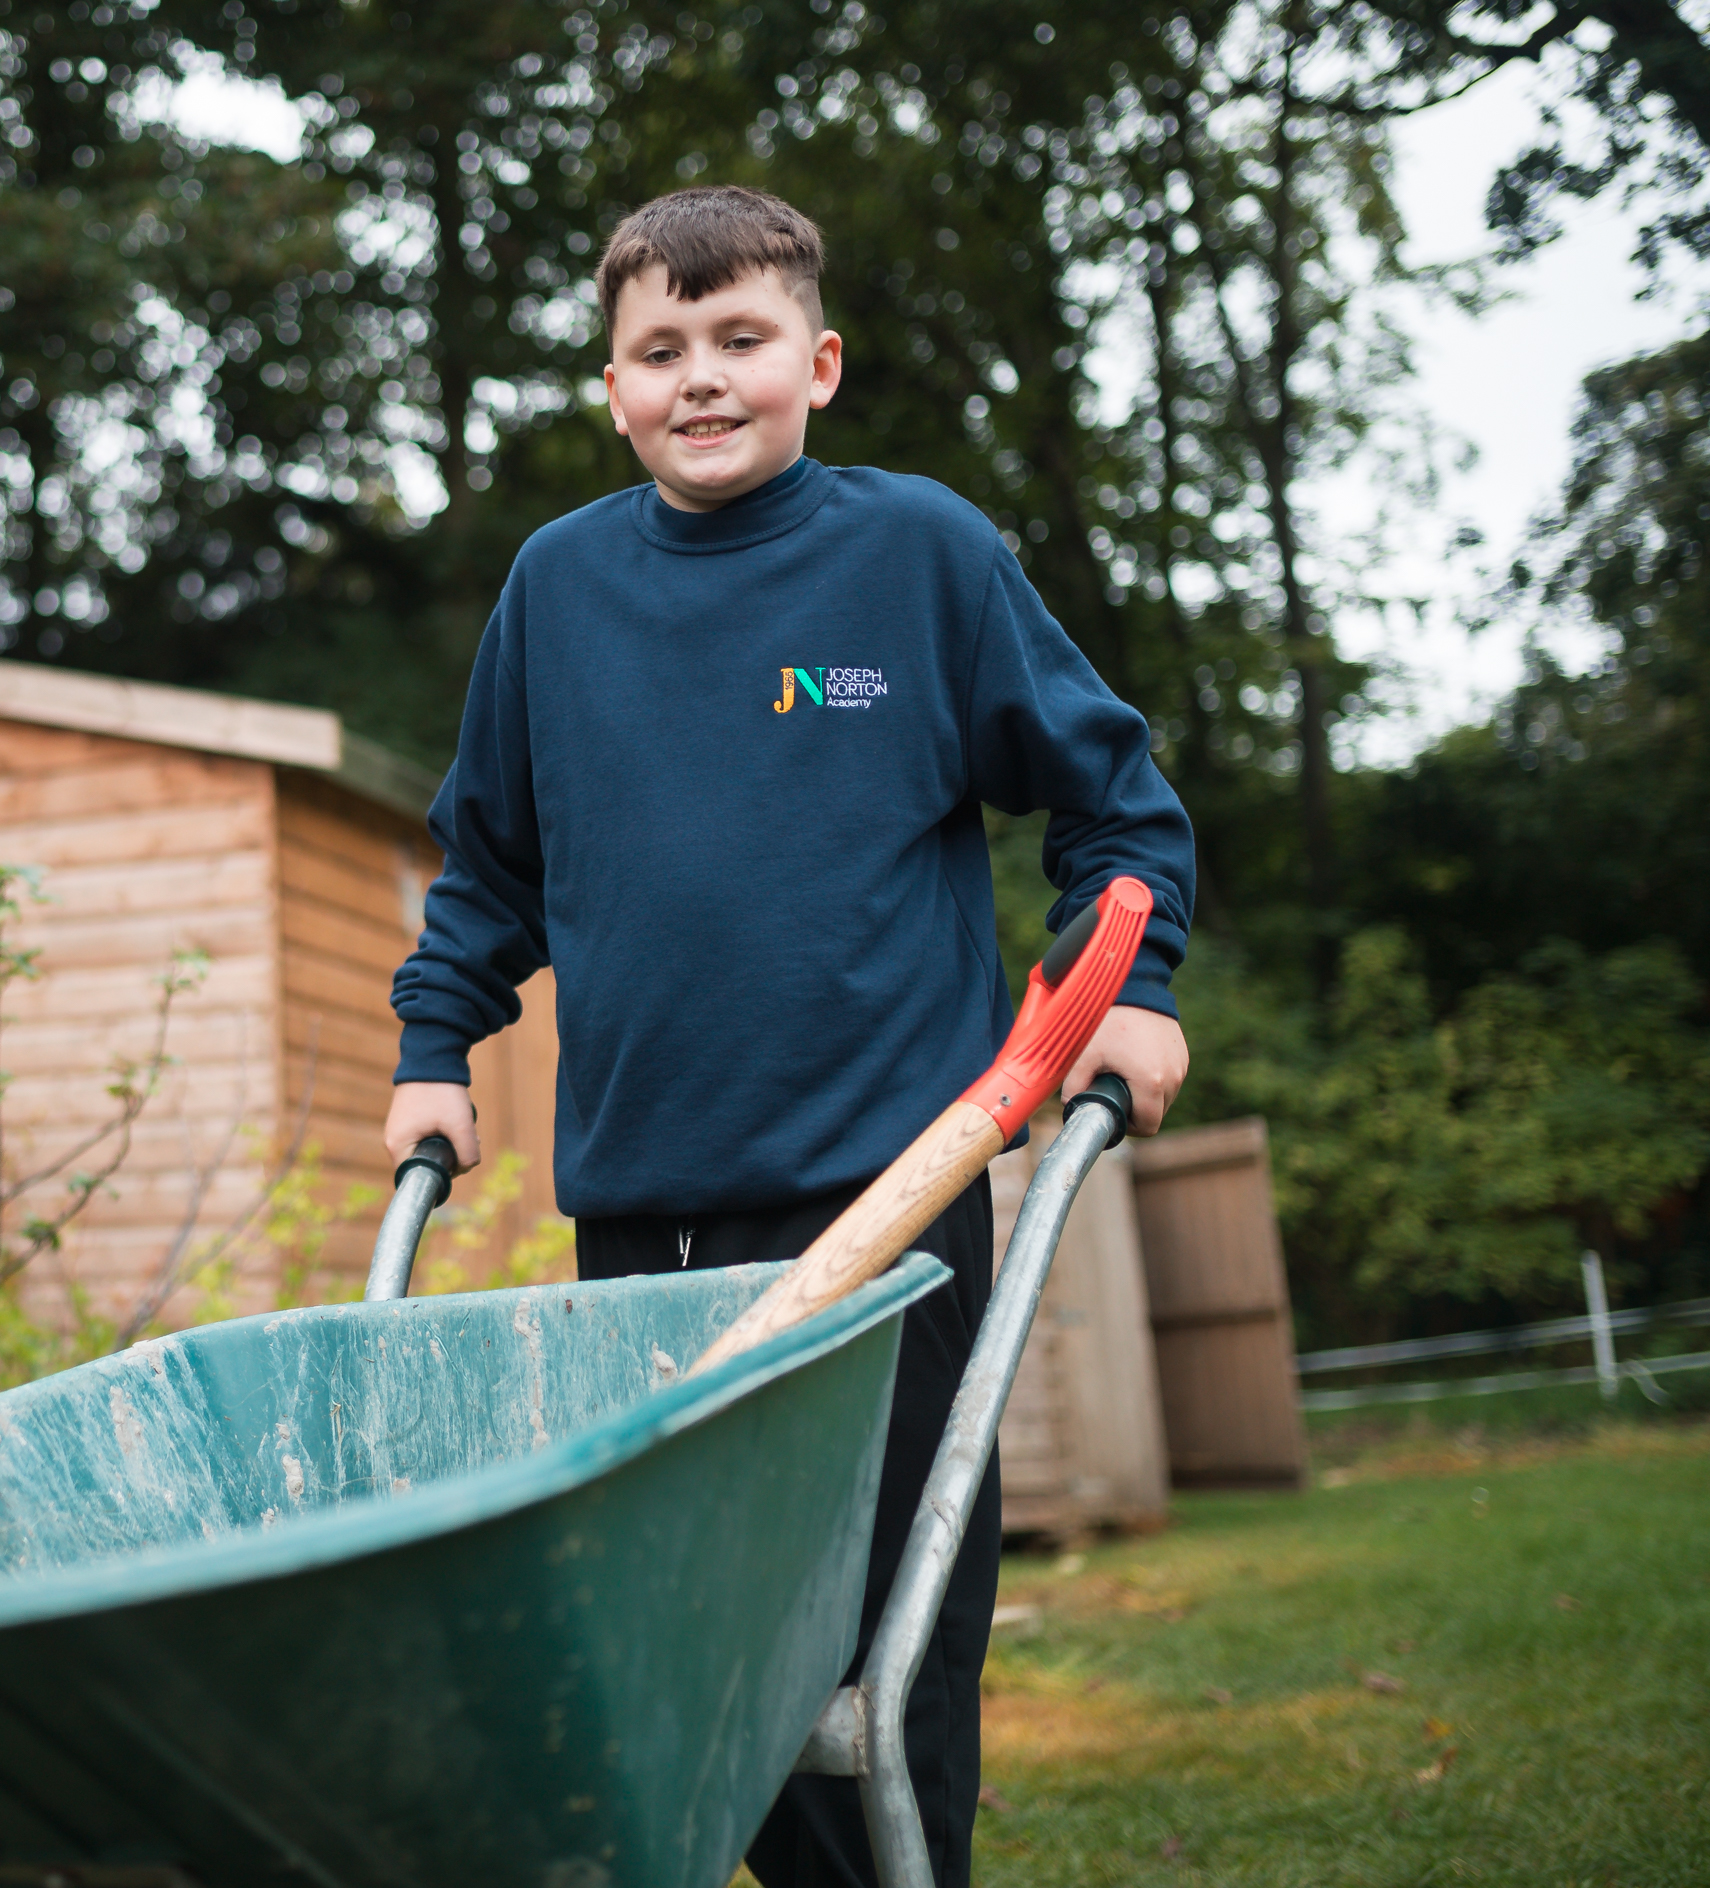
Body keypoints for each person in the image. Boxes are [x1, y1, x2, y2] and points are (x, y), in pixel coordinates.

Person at [383, 185, 1197, 1888]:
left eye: (739, 340)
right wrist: (434, 1051)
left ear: (816, 363)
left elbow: (1116, 807)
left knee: (880, 1660)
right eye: (657, 350)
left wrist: (1132, 988)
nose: (700, 378)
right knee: (678, 1664)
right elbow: (488, 872)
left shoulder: (920, 557)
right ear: (610, 389)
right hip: (644, 1235)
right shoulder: (558, 592)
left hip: (885, 1210)